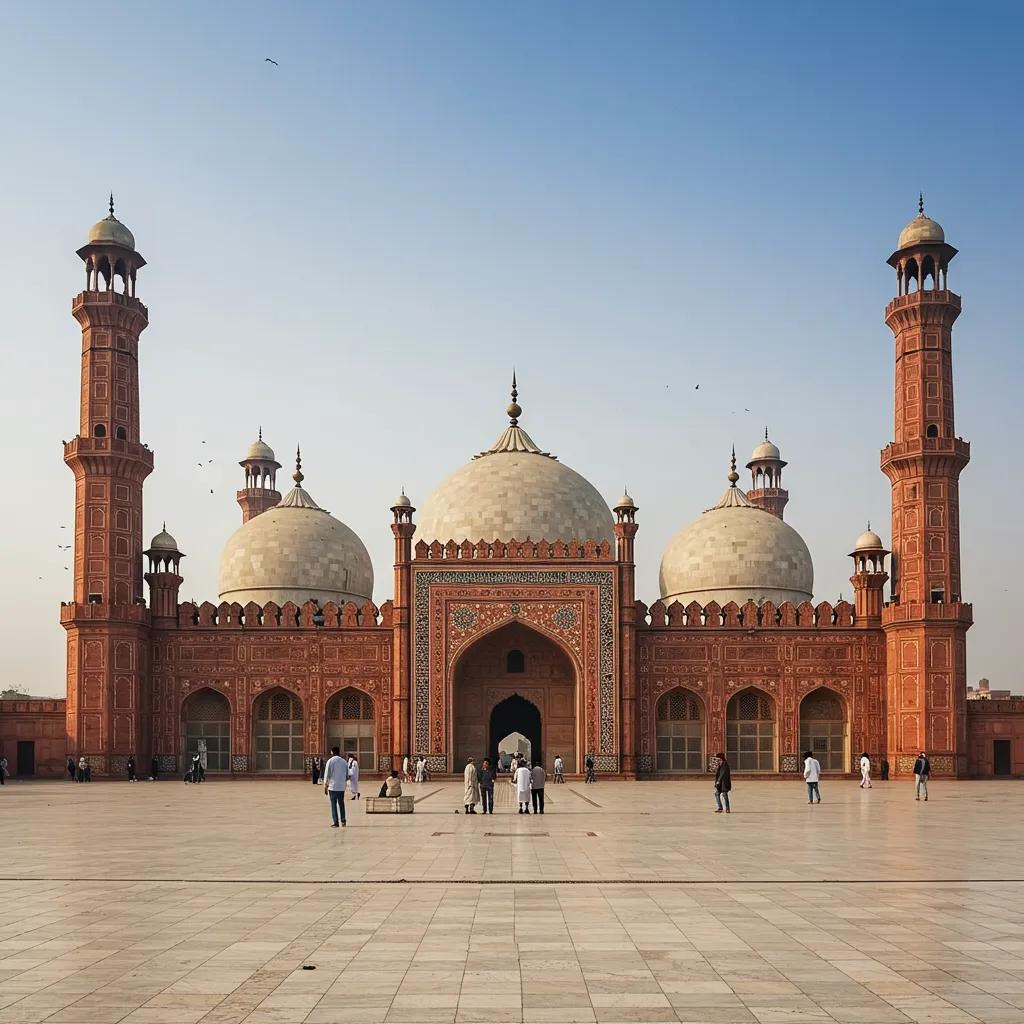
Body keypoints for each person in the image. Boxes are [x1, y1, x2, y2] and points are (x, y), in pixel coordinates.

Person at [323, 745, 350, 827]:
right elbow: (347, 775)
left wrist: (325, 786)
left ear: (332, 752)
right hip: (341, 787)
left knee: (333, 804)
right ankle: (343, 820)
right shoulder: (344, 762)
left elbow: (327, 774)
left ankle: (336, 822)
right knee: (341, 803)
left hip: (333, 786)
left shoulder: (330, 761)